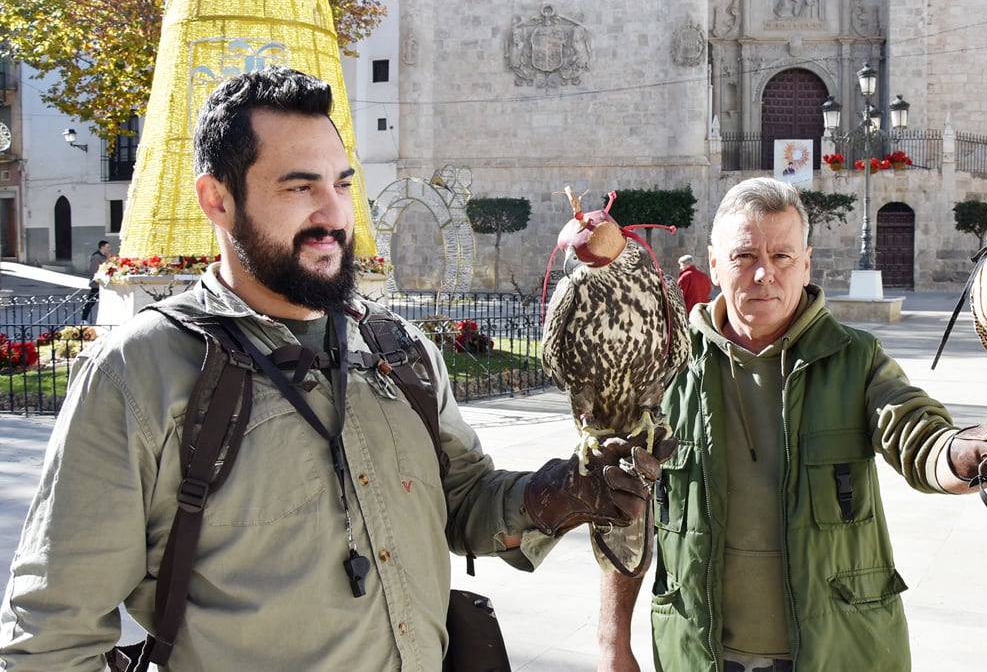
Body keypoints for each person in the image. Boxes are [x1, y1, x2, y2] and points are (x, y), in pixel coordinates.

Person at [0, 67, 663, 672]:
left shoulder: (399, 350)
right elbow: (48, 641)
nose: (333, 215)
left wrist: (563, 492)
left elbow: (464, 501)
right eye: (299, 187)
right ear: (217, 199)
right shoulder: (141, 373)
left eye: (342, 184)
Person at [597, 177, 987, 672]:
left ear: (806, 264)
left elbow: (921, 437)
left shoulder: (855, 359)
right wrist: (612, 644)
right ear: (714, 263)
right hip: (695, 653)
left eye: (781, 257)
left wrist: (985, 450)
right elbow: (618, 511)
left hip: (838, 650)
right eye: (744, 257)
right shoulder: (664, 366)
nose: (764, 275)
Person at [80, 239, 110, 322]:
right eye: (107, 247)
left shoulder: (105, 256)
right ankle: (83, 319)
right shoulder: (96, 257)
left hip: (104, 282)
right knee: (91, 302)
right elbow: (93, 270)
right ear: (102, 247)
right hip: (97, 283)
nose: (108, 249)